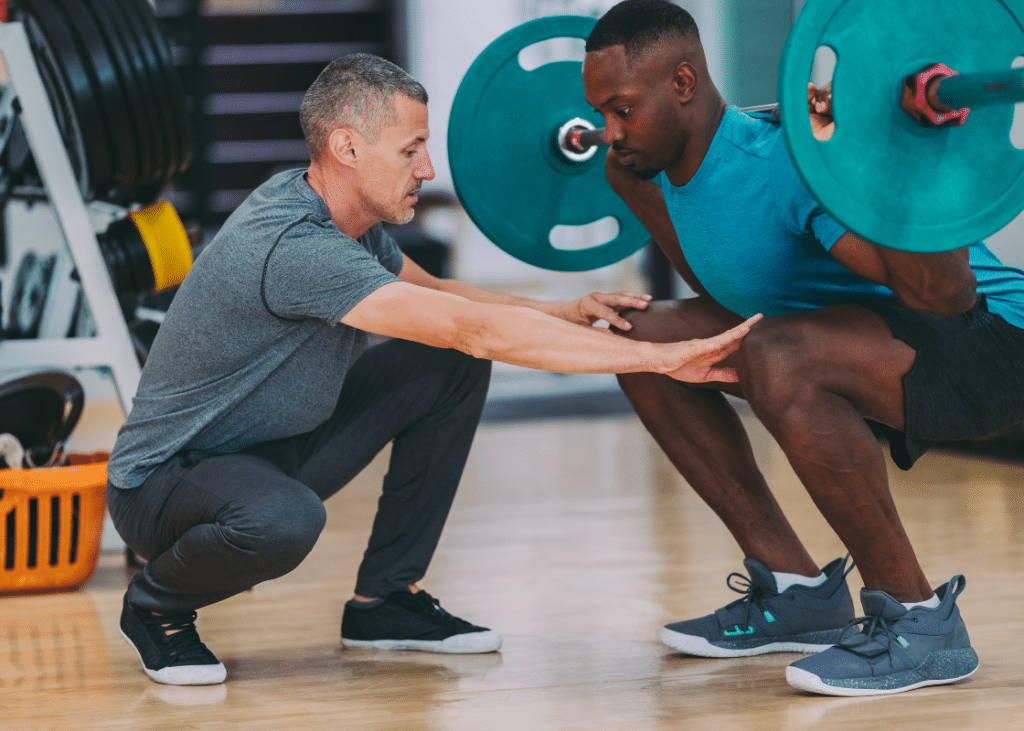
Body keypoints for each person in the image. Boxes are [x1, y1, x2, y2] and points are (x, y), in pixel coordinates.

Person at [105, 52, 758, 687]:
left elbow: (442, 296)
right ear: (347, 147)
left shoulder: (340, 213)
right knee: (285, 518)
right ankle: (157, 604)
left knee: (448, 365)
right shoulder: (297, 247)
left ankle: (384, 599)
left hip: (272, 449)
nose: (428, 167)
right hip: (167, 483)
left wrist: (565, 311)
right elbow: (471, 328)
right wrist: (659, 357)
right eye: (409, 149)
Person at [582, 0, 1024, 697]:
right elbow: (730, 293)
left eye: (622, 109)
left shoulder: (786, 164)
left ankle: (918, 617)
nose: (609, 132)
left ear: (684, 85)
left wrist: (901, 157)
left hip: (991, 336)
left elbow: (940, 295)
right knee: (636, 343)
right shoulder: (640, 171)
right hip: (882, 337)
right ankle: (795, 592)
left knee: (780, 355)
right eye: (602, 113)